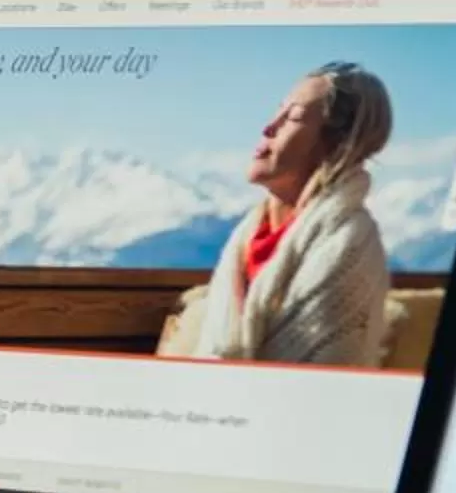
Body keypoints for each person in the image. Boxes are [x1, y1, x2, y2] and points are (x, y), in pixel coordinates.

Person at [161, 61, 396, 366]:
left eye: (294, 117)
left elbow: (323, 369)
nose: (269, 127)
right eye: (278, 111)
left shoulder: (350, 243)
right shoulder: (247, 236)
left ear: (336, 144)